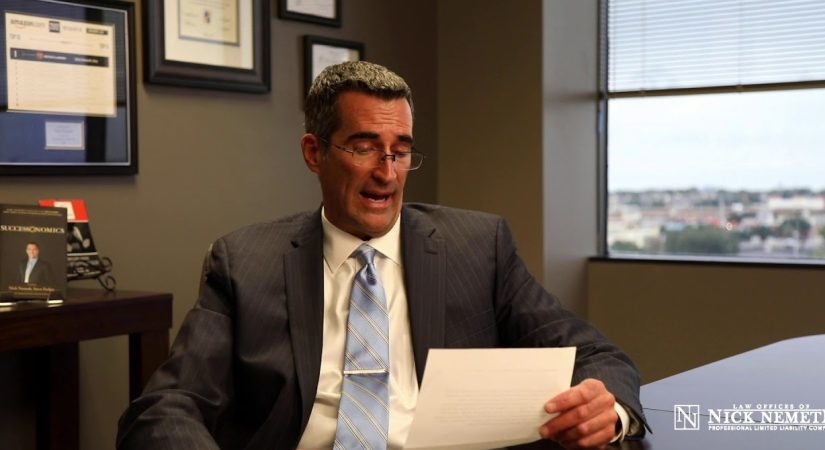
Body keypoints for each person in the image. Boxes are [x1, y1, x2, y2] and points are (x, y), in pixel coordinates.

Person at [117, 61, 647, 450]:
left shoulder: (478, 246)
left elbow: (598, 356)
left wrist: (609, 411)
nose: (387, 173)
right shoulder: (244, 261)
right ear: (314, 153)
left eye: (401, 151)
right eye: (365, 147)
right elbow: (168, 406)